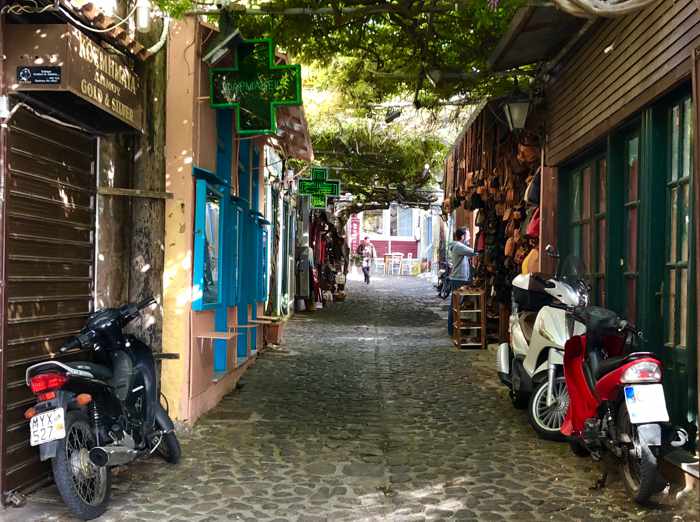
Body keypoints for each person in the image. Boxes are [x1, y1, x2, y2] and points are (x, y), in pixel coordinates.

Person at [447, 228, 477, 336]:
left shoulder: (457, 246)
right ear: (463, 236)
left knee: (456, 305)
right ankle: (451, 331)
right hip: (458, 279)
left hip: (459, 278)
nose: (469, 237)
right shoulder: (459, 246)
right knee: (455, 305)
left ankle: (454, 330)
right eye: (468, 235)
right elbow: (474, 252)